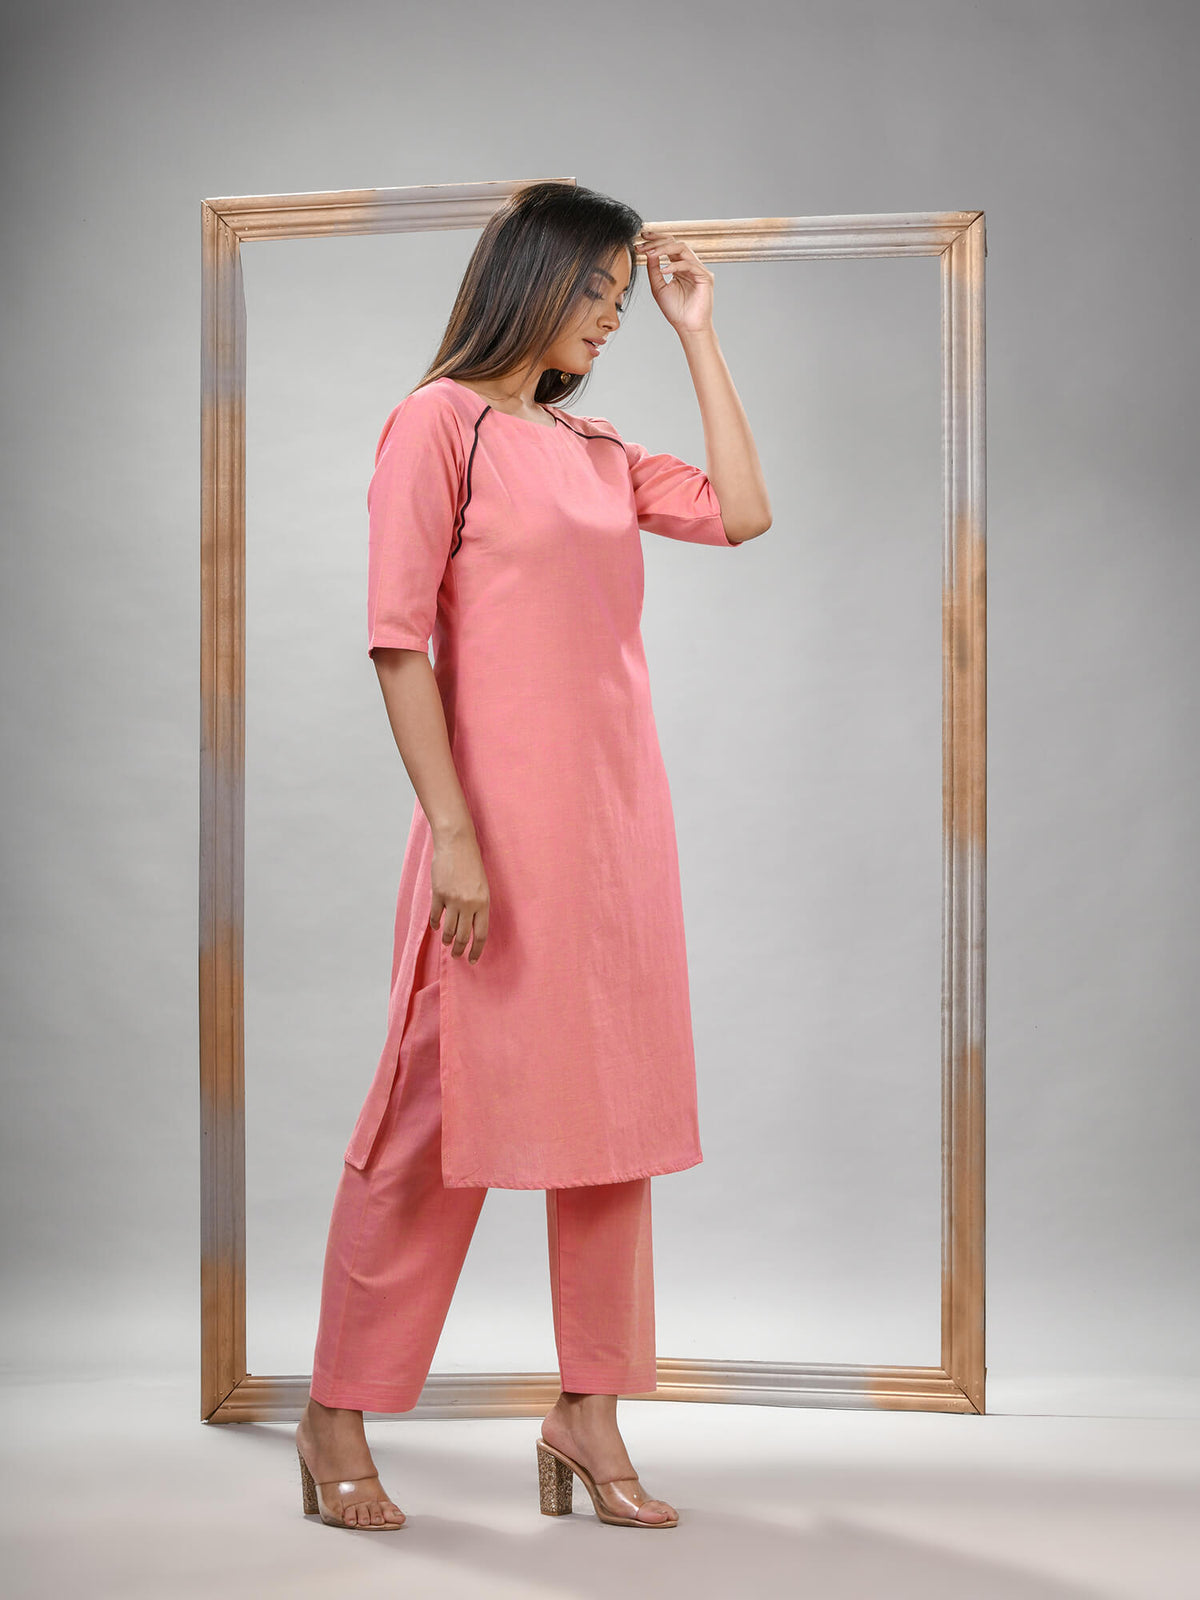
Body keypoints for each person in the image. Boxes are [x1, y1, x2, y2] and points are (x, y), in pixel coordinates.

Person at [294, 180, 772, 1532]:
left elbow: (744, 510)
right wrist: (454, 837)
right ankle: (337, 1410)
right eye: (599, 292)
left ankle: (590, 1412)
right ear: (533, 279)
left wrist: (696, 332)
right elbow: (397, 642)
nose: (612, 317)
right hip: (493, 836)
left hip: (617, 833)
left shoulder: (599, 448)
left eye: (623, 297)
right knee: (428, 1119)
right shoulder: (437, 424)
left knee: (615, 1127)